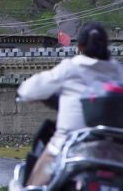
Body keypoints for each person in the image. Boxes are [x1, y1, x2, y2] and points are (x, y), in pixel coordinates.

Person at [18, 22, 123, 186]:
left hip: (70, 143)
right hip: (116, 147)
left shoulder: (70, 67)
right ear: (106, 46)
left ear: (80, 47)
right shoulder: (119, 71)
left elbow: (28, 90)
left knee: (34, 183)